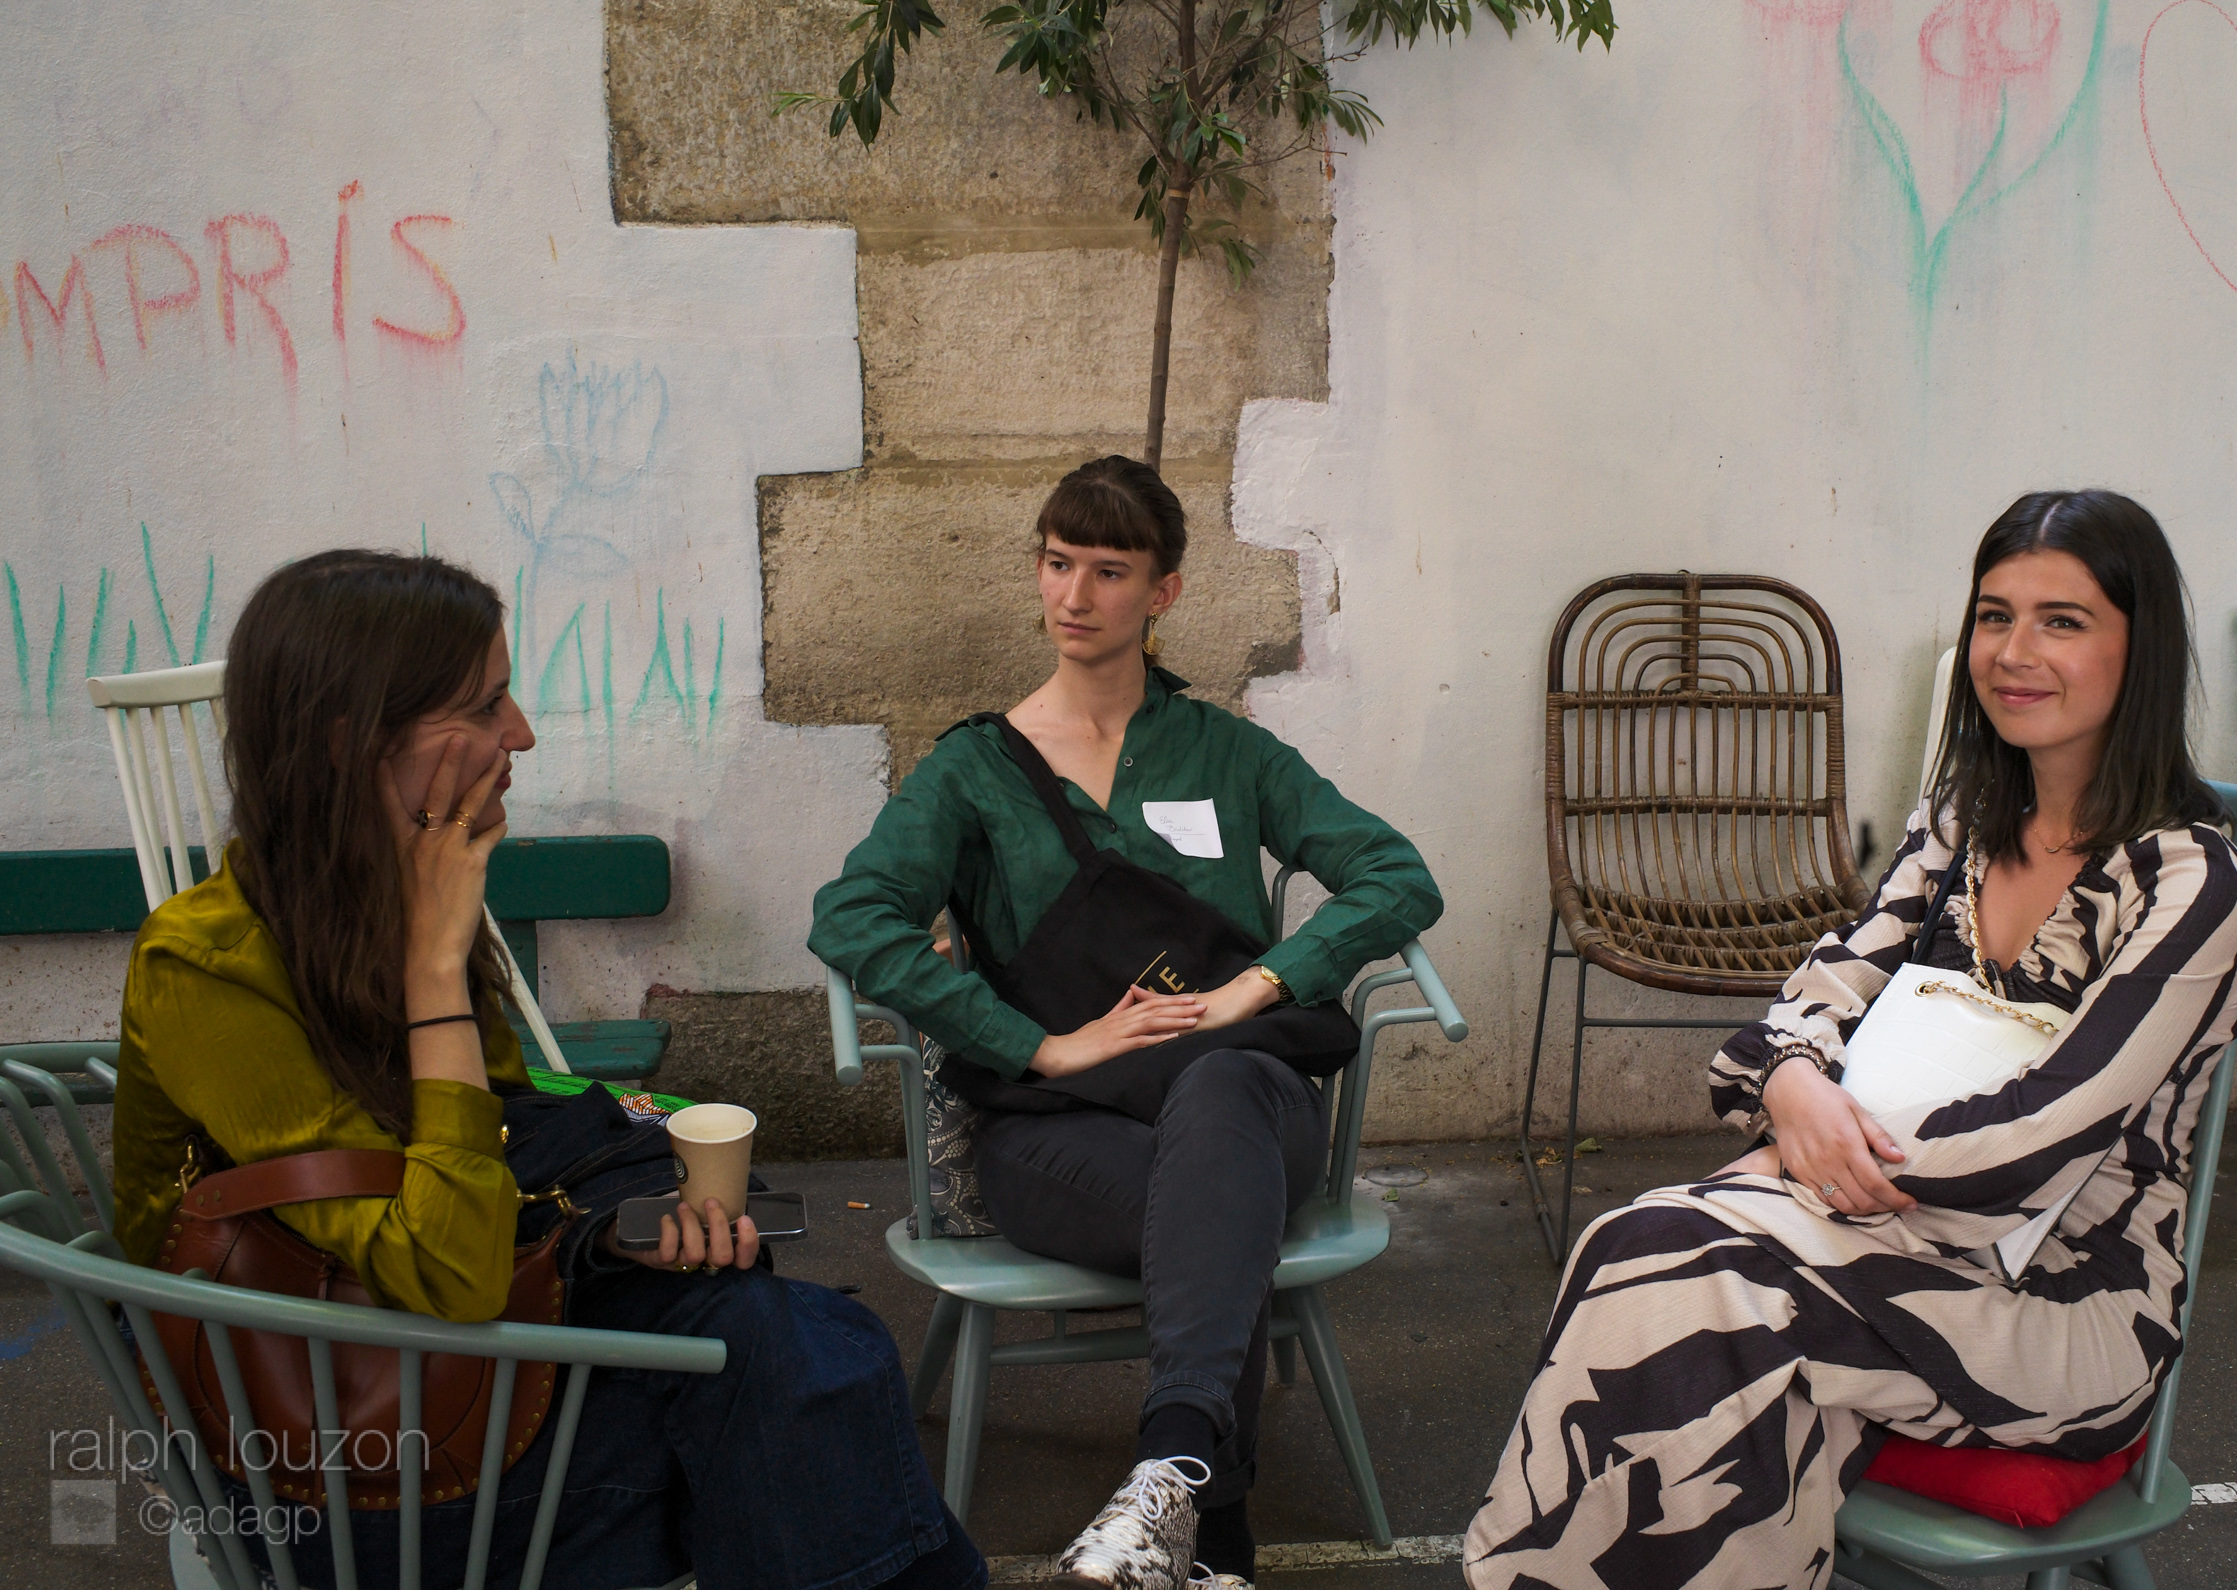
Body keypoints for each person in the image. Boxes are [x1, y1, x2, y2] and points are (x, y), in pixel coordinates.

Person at [111, 549, 985, 1590]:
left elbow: (501, 1152)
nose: (520, 732)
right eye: (484, 706)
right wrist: (436, 966)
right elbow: (449, 1275)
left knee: (800, 1348)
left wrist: (610, 1239)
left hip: (455, 1371)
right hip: (337, 1455)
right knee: (800, 1394)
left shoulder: (390, 896)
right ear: (353, 742)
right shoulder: (205, 966)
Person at [1465, 491, 2237, 1590]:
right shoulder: (1956, 830)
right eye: (1993, 615)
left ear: (2142, 646)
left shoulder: (2190, 885)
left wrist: (1799, 1152)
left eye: (2062, 621)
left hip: (2064, 1300)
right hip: (1871, 1234)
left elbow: (2040, 1138)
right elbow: (1809, 1002)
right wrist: (1794, 1084)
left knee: (1689, 1271)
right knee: (1640, 1245)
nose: (2013, 653)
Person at [809, 456, 1444, 1590]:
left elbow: (1394, 876)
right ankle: (1206, 1523)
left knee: (1224, 1093)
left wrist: (1266, 983)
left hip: (1243, 1099)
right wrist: (1037, 1043)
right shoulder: (973, 772)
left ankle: (1170, 1490)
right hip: (1058, 1129)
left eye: (1110, 570)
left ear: (1164, 595)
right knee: (1219, 1208)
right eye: (1058, 563)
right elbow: (854, 920)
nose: (1075, 594)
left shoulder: (1228, 752)